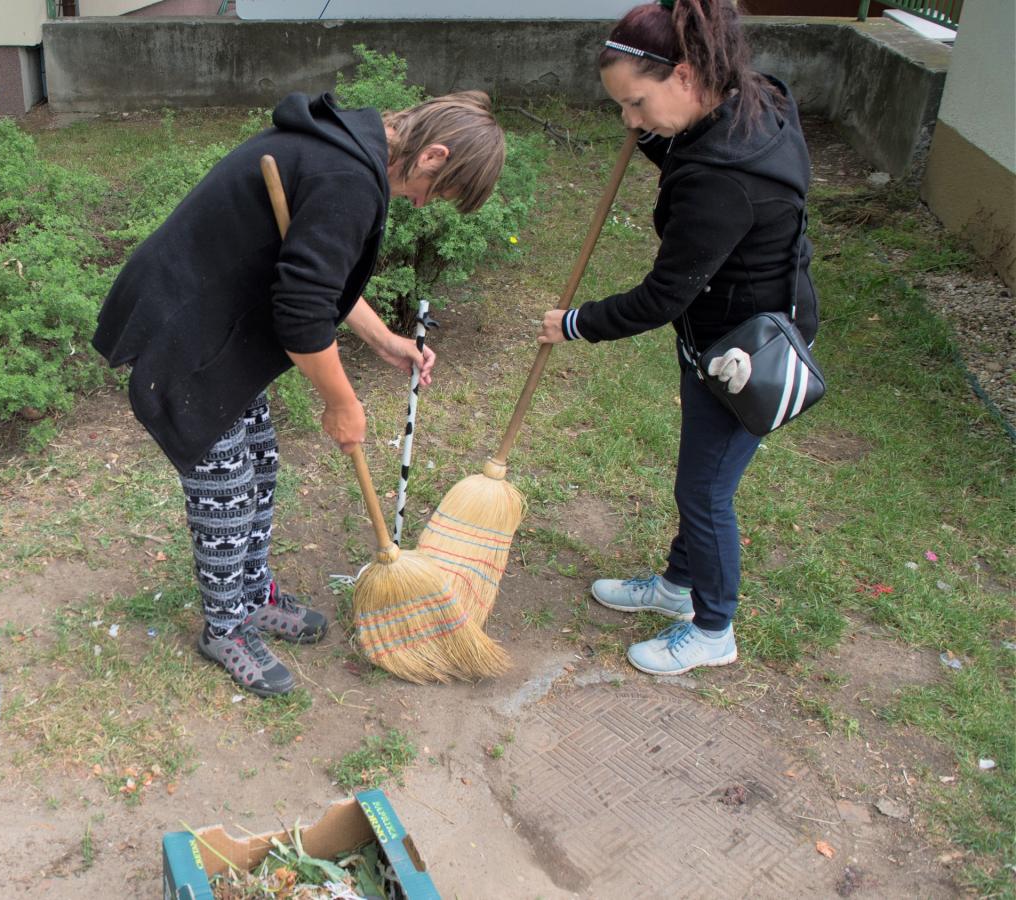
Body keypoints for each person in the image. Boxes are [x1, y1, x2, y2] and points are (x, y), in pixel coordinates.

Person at [94, 90, 507, 696]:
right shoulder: (348, 176)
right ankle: (224, 626)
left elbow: (314, 276)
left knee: (260, 462)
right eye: (437, 191)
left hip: (220, 326)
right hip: (185, 333)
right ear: (432, 157)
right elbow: (301, 313)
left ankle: (251, 593)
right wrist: (342, 402)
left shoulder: (347, 151)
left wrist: (384, 339)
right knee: (226, 494)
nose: (424, 204)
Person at [537, 0, 818, 675]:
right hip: (724, 331)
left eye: (636, 104)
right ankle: (675, 585)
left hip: (746, 355)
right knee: (701, 478)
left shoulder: (723, 180)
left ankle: (714, 626)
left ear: (686, 76)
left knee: (706, 492)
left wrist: (575, 323)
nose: (631, 123)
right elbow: (697, 146)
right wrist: (661, 141)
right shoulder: (757, 99)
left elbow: (663, 296)